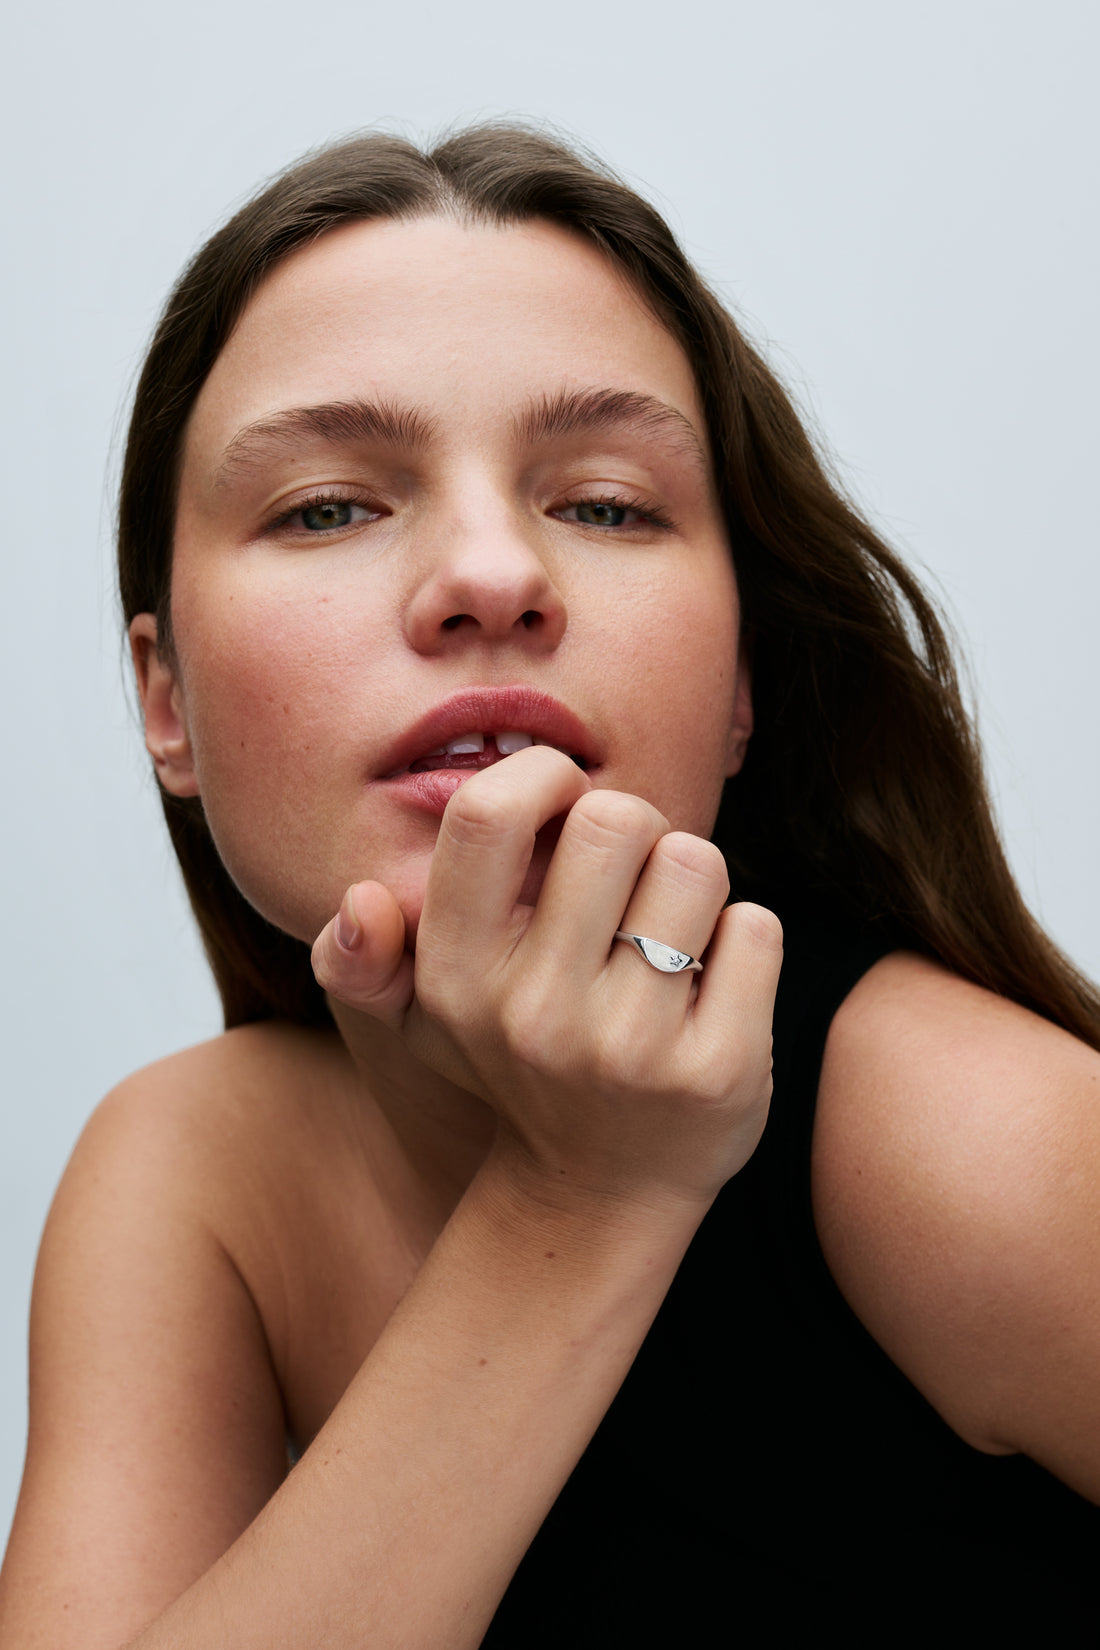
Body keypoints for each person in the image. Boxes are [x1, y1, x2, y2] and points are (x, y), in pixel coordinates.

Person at [1, 124, 1098, 1648]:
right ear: (165, 700)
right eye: (328, 506)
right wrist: (583, 1196)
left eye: (607, 504)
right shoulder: (193, 1178)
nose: (491, 576)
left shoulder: (960, 1131)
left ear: (741, 685)